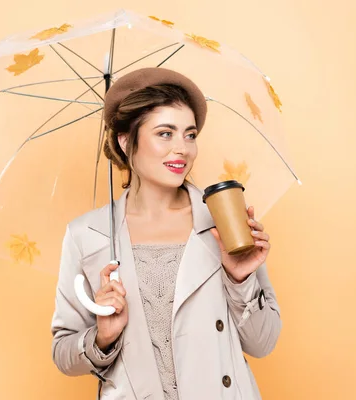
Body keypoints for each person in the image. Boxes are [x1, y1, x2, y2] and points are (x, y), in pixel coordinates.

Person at [50, 68, 281, 400]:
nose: (182, 149)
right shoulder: (87, 235)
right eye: (165, 133)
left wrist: (241, 280)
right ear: (126, 140)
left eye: (190, 135)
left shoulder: (223, 220)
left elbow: (263, 342)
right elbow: (63, 353)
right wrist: (101, 337)